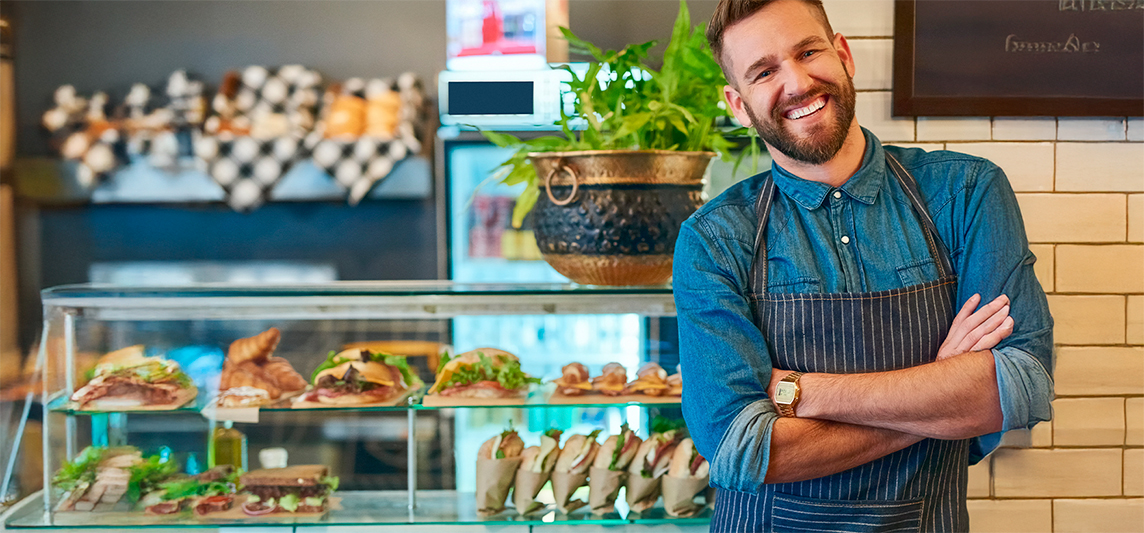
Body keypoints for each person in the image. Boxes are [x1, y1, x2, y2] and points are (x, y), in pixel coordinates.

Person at [673, 0, 1054, 531]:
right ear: (739, 105)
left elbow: (1020, 386)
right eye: (764, 72)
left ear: (844, 54)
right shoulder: (715, 239)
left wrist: (803, 391)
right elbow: (740, 450)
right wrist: (943, 391)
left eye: (808, 51)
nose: (798, 82)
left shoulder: (964, 193)